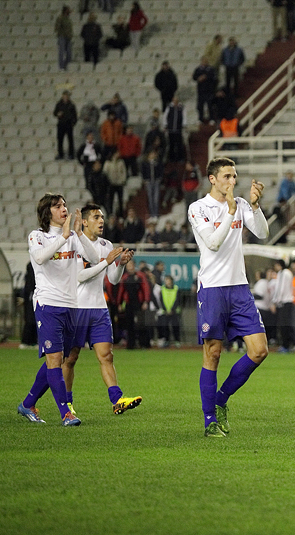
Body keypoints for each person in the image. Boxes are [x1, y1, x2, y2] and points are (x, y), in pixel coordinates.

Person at [187, 157, 269, 437]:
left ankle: (221, 398)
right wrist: (231, 212)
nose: (232, 181)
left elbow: (262, 232)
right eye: (226, 176)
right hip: (212, 288)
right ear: (212, 178)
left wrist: (254, 207)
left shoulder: (242, 205)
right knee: (213, 353)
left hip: (239, 287)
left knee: (259, 350)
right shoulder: (198, 208)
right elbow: (212, 242)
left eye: (234, 176)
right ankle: (210, 419)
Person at [17, 193, 100, 426]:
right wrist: (63, 237)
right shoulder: (37, 236)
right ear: (47, 212)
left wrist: (79, 234)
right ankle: (66, 413)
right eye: (57, 206)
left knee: (57, 359)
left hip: (71, 305)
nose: (63, 208)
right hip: (48, 304)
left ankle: (27, 404)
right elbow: (41, 259)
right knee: (55, 358)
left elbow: (94, 258)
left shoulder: (73, 236)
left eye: (64, 204)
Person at [62, 203, 141, 417]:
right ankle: (67, 404)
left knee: (107, 356)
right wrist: (106, 262)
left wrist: (121, 264)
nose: (101, 221)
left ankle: (117, 400)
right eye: (96, 217)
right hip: (77, 308)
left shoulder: (107, 245)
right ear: (85, 221)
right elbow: (80, 276)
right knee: (70, 358)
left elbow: (113, 280)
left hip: (99, 309)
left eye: (102, 217)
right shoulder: (74, 242)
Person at [155, 275, 182, 347]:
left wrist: (172, 309)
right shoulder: (162, 289)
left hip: (174, 312)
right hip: (165, 312)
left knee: (175, 326)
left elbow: (178, 300)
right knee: (165, 327)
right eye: (166, 280)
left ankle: (177, 341)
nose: (168, 282)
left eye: (169, 280)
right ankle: (166, 341)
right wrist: (165, 310)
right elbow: (161, 300)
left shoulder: (176, 289)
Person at [193, 57, 218, 123]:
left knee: (210, 105)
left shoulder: (211, 69)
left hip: (209, 91)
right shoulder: (198, 69)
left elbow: (214, 78)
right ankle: (200, 119)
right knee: (200, 106)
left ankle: (211, 119)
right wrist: (199, 78)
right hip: (201, 91)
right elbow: (194, 77)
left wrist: (206, 78)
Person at [54, 91, 78, 160]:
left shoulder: (71, 105)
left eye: (66, 96)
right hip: (61, 124)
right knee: (60, 140)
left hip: (68, 124)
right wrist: (58, 114)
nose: (65, 98)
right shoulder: (59, 104)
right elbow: (54, 113)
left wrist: (73, 123)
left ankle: (71, 154)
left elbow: (75, 116)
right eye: (64, 96)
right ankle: (60, 154)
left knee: (70, 140)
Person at [141, 150, 164, 218]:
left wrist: (159, 178)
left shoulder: (158, 163)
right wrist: (145, 180)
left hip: (156, 182)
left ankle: (156, 214)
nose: (153, 155)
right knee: (150, 198)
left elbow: (161, 171)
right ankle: (151, 214)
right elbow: (143, 172)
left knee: (156, 199)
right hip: (149, 182)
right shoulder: (145, 163)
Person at [55, 5, 73, 71]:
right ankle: (61, 66)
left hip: (68, 37)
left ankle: (66, 65)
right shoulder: (60, 18)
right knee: (61, 52)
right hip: (62, 36)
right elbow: (57, 28)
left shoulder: (68, 19)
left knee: (69, 53)